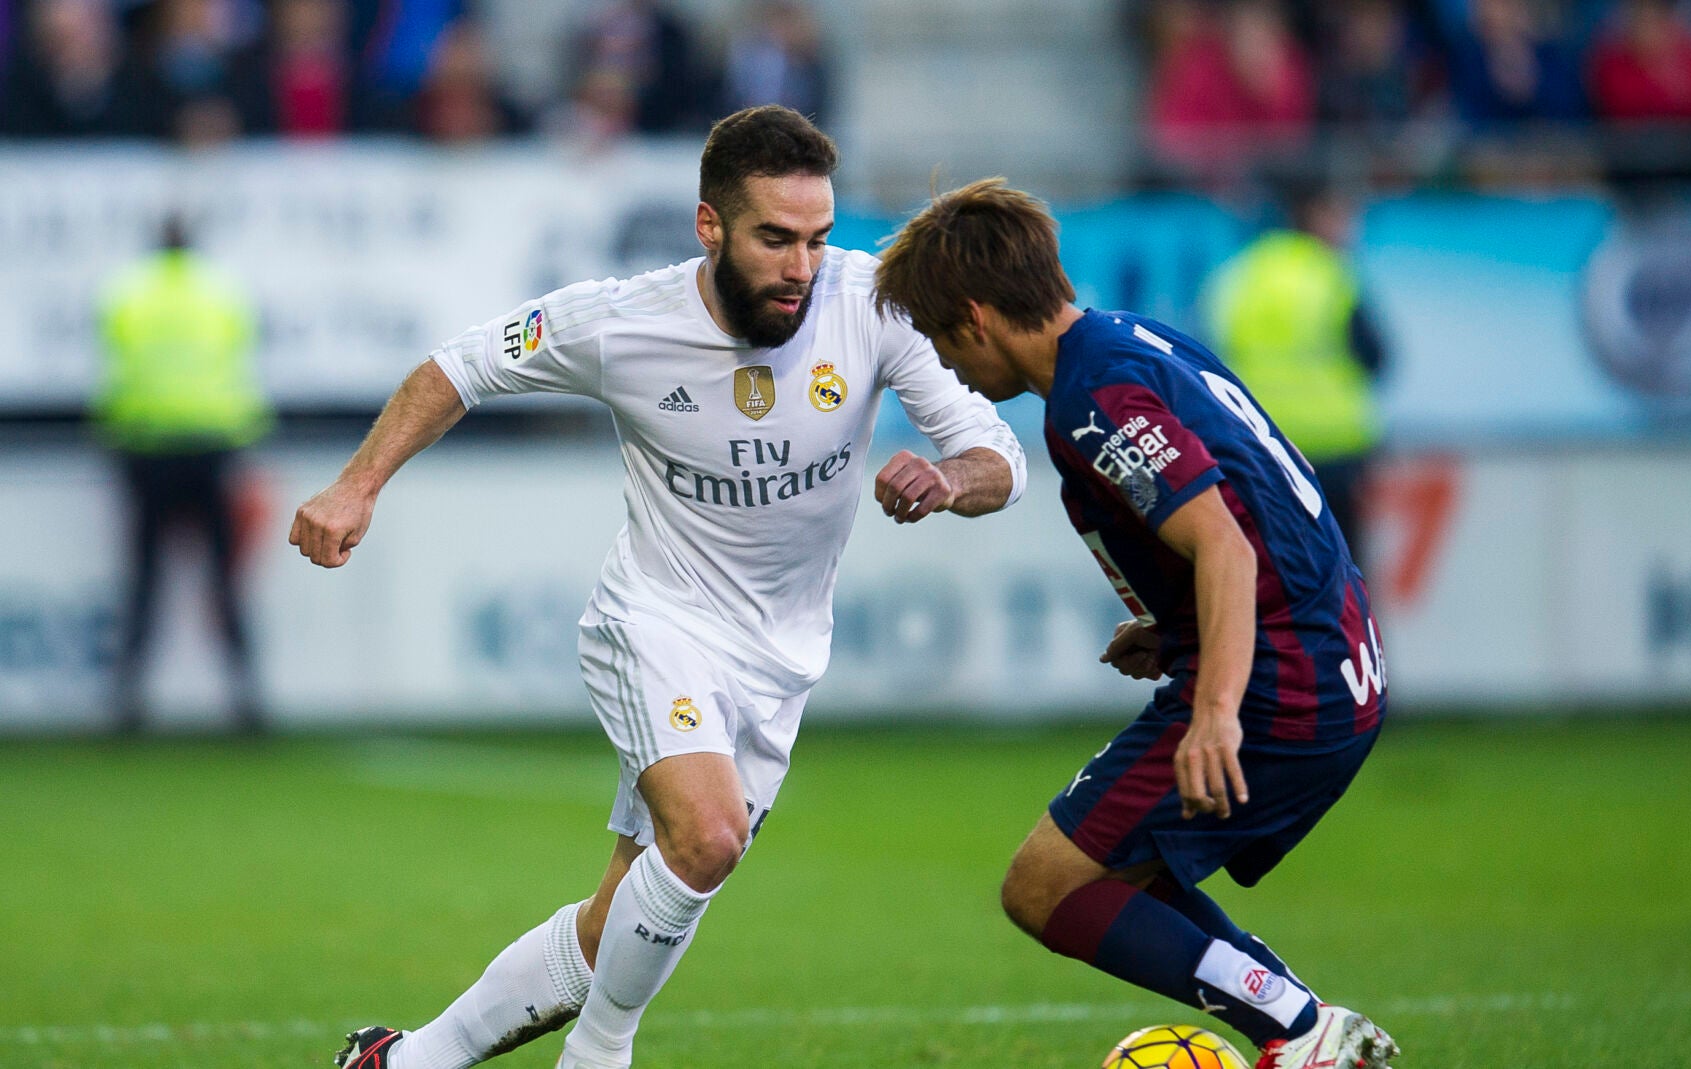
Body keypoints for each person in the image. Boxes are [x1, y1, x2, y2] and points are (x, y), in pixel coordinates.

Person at [290, 106, 1025, 1069]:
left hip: (782, 660)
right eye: (774, 239)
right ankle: (601, 1054)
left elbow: (995, 452)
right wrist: (357, 483)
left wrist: (950, 477)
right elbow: (460, 366)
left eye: (816, 238)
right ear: (709, 227)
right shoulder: (624, 320)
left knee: (621, 920)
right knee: (709, 835)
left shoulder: (871, 303)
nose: (801, 267)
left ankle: (406, 1060)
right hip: (658, 620)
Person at [873, 179, 1397, 1069]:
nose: (945, 364)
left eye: (937, 337)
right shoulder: (1131, 342)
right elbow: (1257, 499)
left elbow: (1225, 545)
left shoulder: (1094, 396)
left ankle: (1304, 1031)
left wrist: (1216, 709)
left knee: (1043, 885)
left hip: (1283, 682)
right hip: (1330, 654)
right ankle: (1305, 1030)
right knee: (1114, 868)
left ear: (976, 316)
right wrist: (1175, 625)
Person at [95, 213, 272, 735]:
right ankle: (247, 698)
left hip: (146, 446)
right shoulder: (221, 291)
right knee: (224, 577)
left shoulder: (127, 292)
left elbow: (115, 365)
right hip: (213, 445)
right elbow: (240, 360)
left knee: (144, 578)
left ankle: (127, 700)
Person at [1204, 180, 1384, 558]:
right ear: (1313, 214)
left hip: (1261, 447)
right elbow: (1376, 355)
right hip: (1336, 447)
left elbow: (1210, 357)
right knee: (1345, 571)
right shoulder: (1328, 273)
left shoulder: (1239, 275)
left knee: (1280, 570)